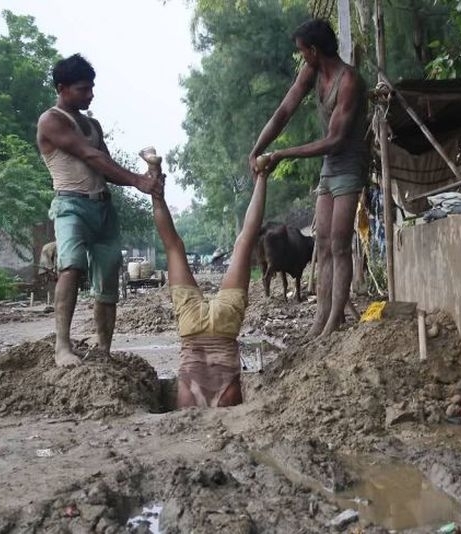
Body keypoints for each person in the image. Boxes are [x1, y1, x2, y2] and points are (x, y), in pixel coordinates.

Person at [36, 54, 163, 367]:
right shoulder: (51, 121)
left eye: (91, 88)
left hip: (102, 206)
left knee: (107, 274)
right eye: (82, 89)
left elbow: (105, 168)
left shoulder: (92, 124)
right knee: (71, 266)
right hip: (70, 205)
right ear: (62, 88)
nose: (90, 94)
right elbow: (89, 156)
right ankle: (62, 347)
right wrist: (138, 181)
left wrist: (144, 179)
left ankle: (103, 346)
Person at [249, 19, 369, 339]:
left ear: (314, 51)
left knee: (340, 245)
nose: (302, 57)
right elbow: (284, 111)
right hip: (330, 167)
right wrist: (258, 149)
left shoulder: (349, 81)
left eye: (302, 52)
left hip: (349, 163)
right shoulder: (312, 72)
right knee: (325, 244)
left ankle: (333, 322)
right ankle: (321, 319)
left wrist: (282, 154)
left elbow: (335, 140)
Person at [152, 170, 268, 408]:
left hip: (217, 328)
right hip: (202, 329)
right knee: (240, 242)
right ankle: (262, 177)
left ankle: (262, 178)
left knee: (240, 243)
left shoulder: (187, 402)